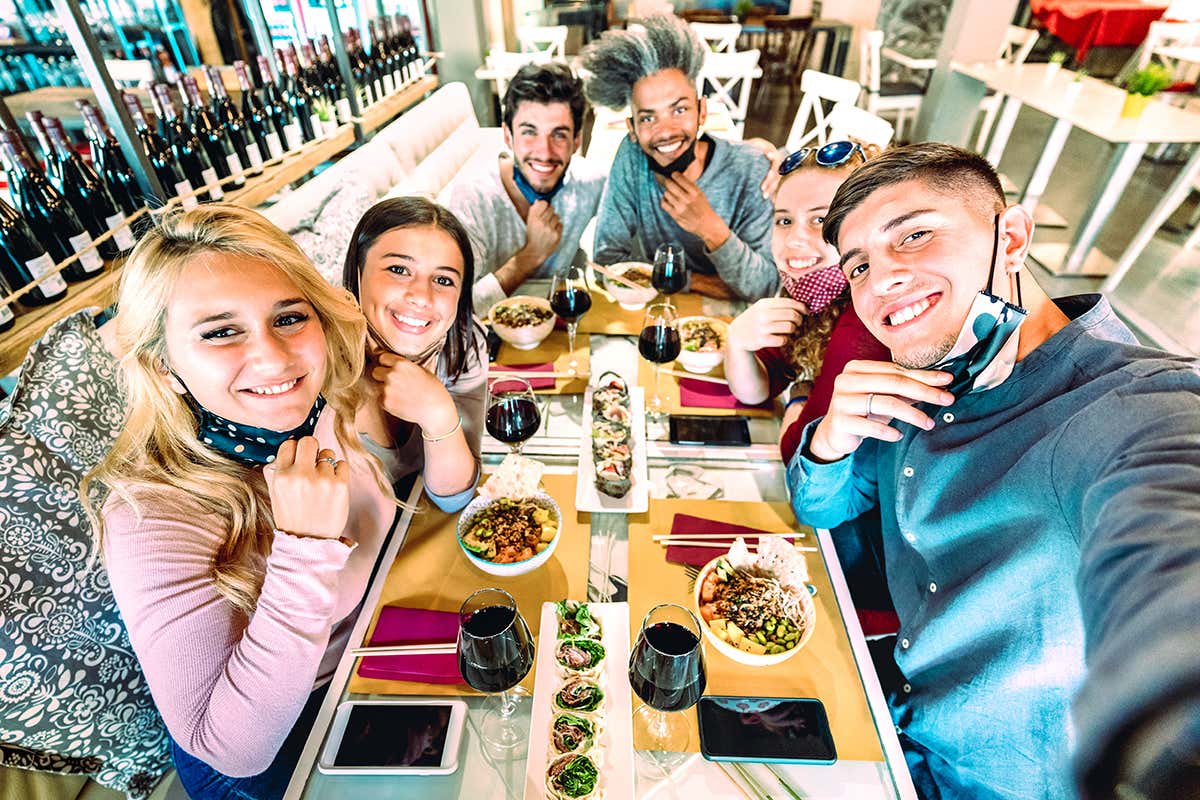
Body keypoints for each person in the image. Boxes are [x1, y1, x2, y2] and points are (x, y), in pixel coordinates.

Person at [786, 143, 1200, 800]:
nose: (882, 278)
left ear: (1012, 237)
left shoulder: (1136, 410)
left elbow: (1172, 546)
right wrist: (830, 442)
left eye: (914, 235)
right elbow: (819, 507)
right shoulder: (929, 375)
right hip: (892, 728)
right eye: (858, 266)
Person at [82, 205, 398, 800]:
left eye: (289, 317)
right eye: (221, 331)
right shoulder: (151, 514)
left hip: (371, 664)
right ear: (164, 367)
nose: (276, 359)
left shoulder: (322, 407)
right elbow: (233, 747)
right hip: (267, 756)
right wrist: (304, 549)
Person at [582, 14, 779, 301]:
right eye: (648, 118)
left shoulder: (753, 169)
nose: (666, 131)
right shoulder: (631, 155)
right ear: (632, 129)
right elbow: (606, 262)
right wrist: (693, 281)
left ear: (702, 112)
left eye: (679, 110)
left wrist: (710, 228)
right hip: (664, 311)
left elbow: (765, 286)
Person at [724, 140, 889, 463]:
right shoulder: (816, 287)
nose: (795, 240)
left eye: (819, 220)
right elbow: (758, 387)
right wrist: (737, 343)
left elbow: (795, 452)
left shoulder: (867, 318)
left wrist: (799, 396)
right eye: (784, 220)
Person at [342, 196, 486, 510]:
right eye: (399, 269)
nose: (422, 296)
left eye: (443, 280)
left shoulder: (462, 344)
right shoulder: (315, 368)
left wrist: (438, 414)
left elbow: (453, 498)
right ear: (358, 270)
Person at [443, 62, 606, 314]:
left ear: (577, 141)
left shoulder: (589, 183)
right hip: (494, 341)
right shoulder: (473, 198)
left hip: (562, 328)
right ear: (508, 136)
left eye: (559, 134)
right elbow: (454, 308)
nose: (545, 151)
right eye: (530, 132)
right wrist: (530, 256)